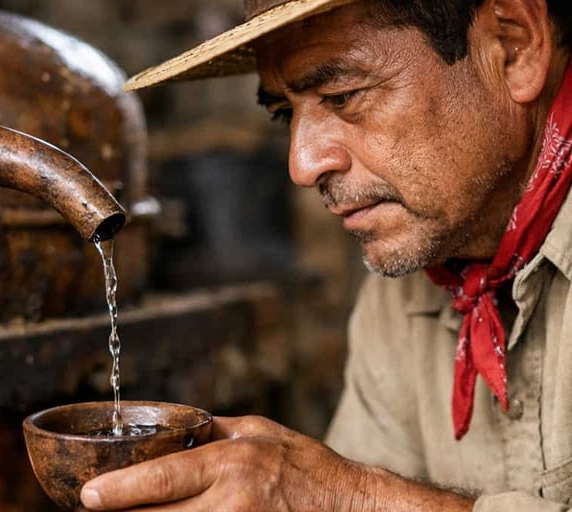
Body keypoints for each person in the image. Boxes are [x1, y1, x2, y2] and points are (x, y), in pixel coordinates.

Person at [80, 0, 572, 510]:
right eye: (284, 112)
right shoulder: (405, 292)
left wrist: (351, 498)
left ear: (514, 47)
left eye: (342, 95)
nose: (303, 164)